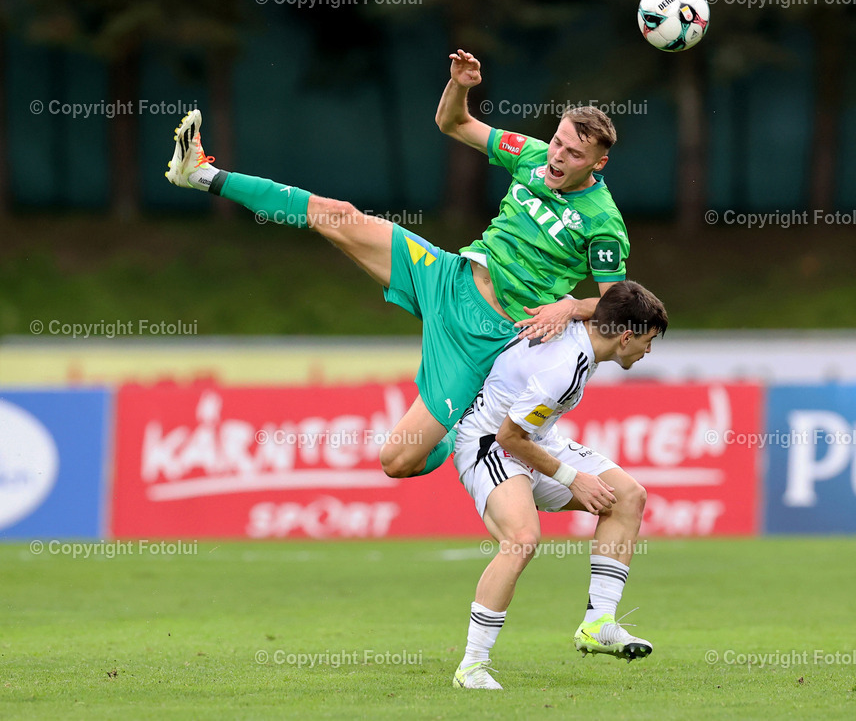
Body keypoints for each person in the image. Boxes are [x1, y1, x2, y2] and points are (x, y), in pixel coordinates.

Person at [164, 49, 631, 479]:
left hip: (484, 339)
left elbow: (619, 307)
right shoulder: (530, 154)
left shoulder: (603, 223)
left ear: (600, 164)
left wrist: (569, 308)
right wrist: (460, 85)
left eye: (573, 155)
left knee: (398, 459)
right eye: (557, 143)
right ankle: (202, 173)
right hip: (446, 276)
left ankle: (458, 429)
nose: (557, 157)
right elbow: (453, 124)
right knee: (338, 215)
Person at [451, 280, 667, 690]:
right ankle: (472, 665)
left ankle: (598, 622)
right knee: (521, 539)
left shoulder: (587, 325)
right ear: (625, 337)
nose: (648, 351)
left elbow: (594, 304)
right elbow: (508, 438)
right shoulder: (564, 371)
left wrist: (568, 306)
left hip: (536, 440)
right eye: (648, 341)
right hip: (489, 444)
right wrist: (573, 479)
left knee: (628, 497)